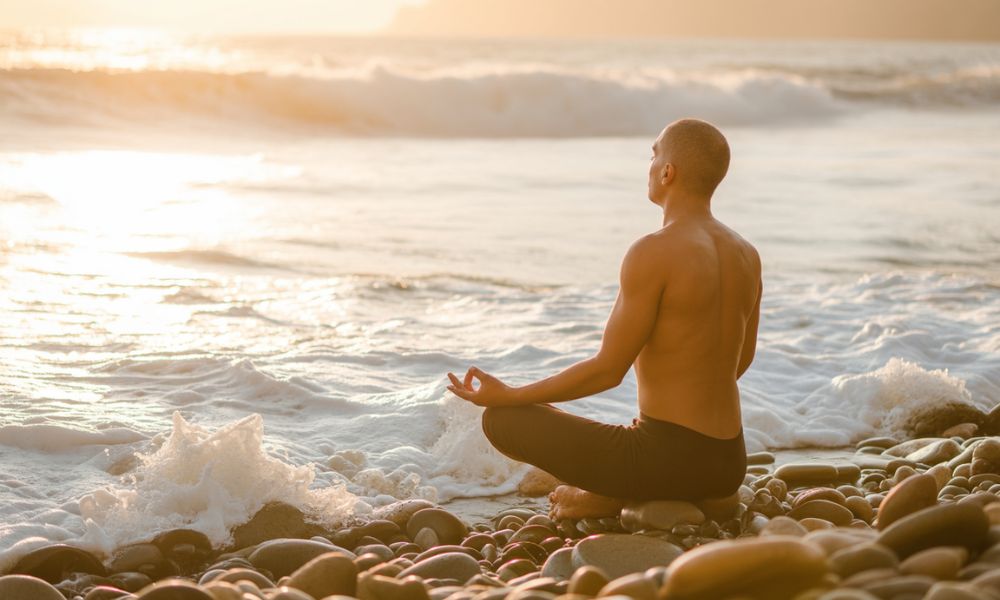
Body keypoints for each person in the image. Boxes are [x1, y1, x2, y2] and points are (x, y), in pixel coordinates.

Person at [446, 118, 762, 521]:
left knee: (504, 420)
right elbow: (740, 361)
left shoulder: (654, 251)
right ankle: (665, 493)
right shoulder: (746, 253)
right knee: (632, 440)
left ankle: (608, 495)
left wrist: (509, 394)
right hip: (729, 462)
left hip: (666, 460)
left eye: (654, 154)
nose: (649, 165)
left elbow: (607, 371)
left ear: (668, 172)